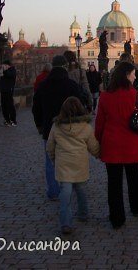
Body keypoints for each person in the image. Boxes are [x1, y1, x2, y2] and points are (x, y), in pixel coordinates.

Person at [95, 62, 138, 229]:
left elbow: (99, 124)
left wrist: (99, 141)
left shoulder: (105, 96)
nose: (135, 77)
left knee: (114, 183)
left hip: (111, 145)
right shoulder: (137, 96)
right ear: (127, 75)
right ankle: (137, 206)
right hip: (131, 145)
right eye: (134, 74)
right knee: (134, 178)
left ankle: (117, 217)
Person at [46, 97, 100, 235]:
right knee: (81, 190)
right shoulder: (86, 127)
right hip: (80, 163)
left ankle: (66, 222)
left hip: (63, 164)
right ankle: (83, 213)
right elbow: (93, 146)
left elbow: (50, 146)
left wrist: (54, 159)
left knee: (65, 193)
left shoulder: (56, 127)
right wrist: (100, 155)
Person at [33, 55, 81, 200]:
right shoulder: (72, 85)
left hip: (49, 129)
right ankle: (68, 187)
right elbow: (79, 106)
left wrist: (40, 125)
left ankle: (53, 192)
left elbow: (36, 108)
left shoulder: (43, 85)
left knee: (50, 161)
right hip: (69, 129)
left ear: (53, 66)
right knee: (69, 160)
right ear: (66, 66)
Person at [0, 60, 17, 126]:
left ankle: (13, 120)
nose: (3, 66)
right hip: (3, 90)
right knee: (4, 106)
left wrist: (5, 70)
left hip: (9, 90)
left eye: (5, 65)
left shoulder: (12, 70)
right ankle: (7, 120)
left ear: (8, 65)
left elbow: (9, 75)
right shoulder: (3, 70)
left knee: (10, 106)